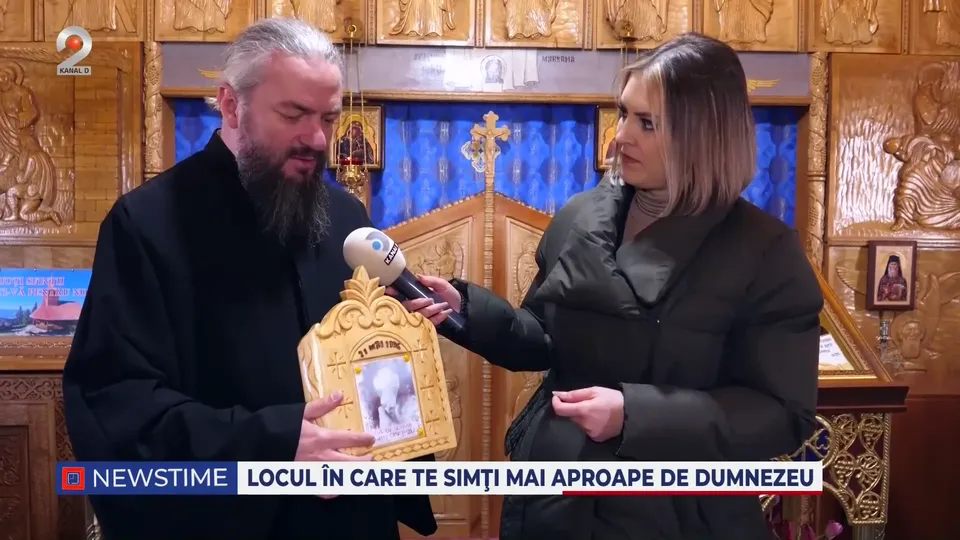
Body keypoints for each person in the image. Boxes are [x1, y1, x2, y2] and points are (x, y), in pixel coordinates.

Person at [399, 32, 823, 540]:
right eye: (623, 113)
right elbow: (544, 337)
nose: (621, 136)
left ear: (704, 136)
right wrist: (468, 311)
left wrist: (635, 415)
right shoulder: (582, 215)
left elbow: (781, 413)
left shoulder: (765, 251)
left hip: (678, 514)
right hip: (558, 498)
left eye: (647, 123)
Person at [61, 18, 436, 540]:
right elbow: (118, 402)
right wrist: (272, 444)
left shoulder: (347, 218)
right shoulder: (146, 224)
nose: (317, 138)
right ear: (232, 105)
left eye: (328, 118)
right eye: (294, 114)